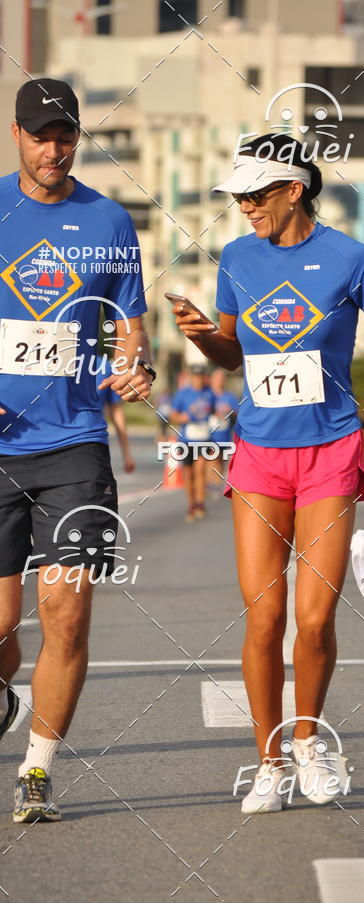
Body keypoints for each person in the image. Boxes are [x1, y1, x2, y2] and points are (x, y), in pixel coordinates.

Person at [172, 133, 364, 813]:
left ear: (294, 189)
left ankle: (307, 742)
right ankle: (267, 761)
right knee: (264, 616)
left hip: (332, 448)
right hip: (260, 452)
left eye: (256, 193)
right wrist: (200, 334)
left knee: (315, 616)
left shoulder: (350, 259)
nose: (244, 206)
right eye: (238, 196)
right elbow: (232, 353)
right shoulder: (238, 257)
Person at [0, 78, 154, 823]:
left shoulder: (109, 220)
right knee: (0, 630)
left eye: (65, 136)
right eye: (40, 135)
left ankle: (36, 770)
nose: (53, 149)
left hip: (74, 442)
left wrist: (138, 364)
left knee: (64, 614)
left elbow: (131, 320)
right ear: (16, 134)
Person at [170, 364, 215, 521]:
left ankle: (201, 503)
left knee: (200, 470)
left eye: (201, 376)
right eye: (196, 377)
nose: (198, 380)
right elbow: (173, 415)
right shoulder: (182, 394)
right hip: (186, 439)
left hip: (204, 438)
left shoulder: (209, 393)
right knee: (188, 474)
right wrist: (184, 418)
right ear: (191, 378)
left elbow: (214, 411)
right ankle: (191, 503)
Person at [96, 357, 136, 473]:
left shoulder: (104, 366)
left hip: (93, 443)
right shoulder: (53, 362)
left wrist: (126, 454)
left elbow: (116, 411)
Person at [208, 367, 239, 495]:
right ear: (212, 380)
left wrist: (229, 412)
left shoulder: (229, 397)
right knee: (210, 457)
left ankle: (216, 482)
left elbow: (238, 413)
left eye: (222, 379)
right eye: (217, 379)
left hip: (224, 435)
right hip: (208, 435)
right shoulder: (207, 394)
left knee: (219, 460)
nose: (219, 381)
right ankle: (212, 483)